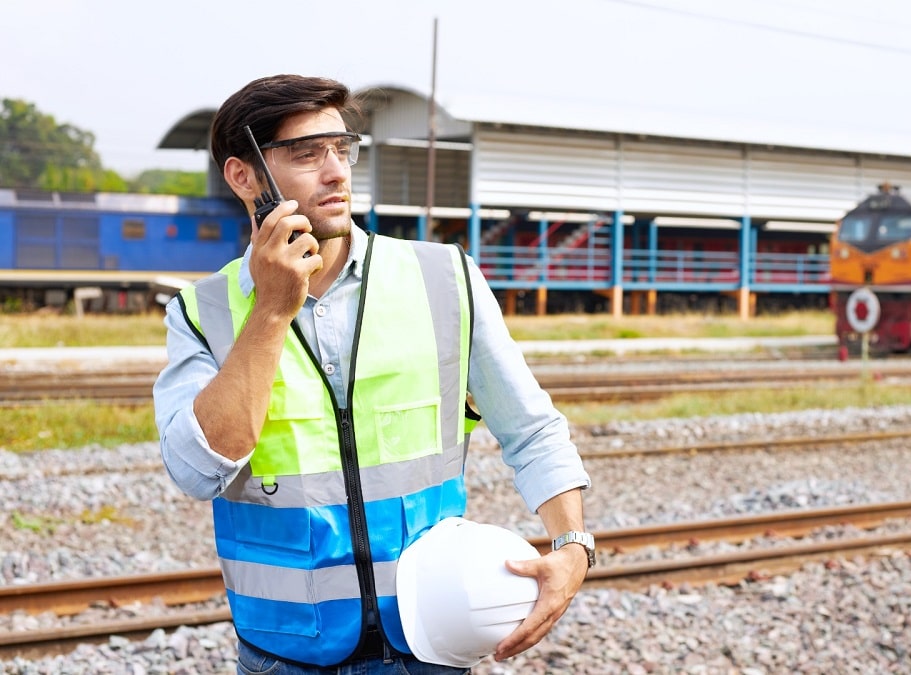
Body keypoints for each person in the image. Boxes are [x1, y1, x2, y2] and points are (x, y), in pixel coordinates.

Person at [152, 74, 593, 673]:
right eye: (307, 153)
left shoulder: (445, 278)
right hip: (284, 654)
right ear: (243, 176)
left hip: (430, 642)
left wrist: (573, 548)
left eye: (342, 148)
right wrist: (273, 310)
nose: (335, 172)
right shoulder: (200, 313)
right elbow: (198, 469)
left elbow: (532, 430)